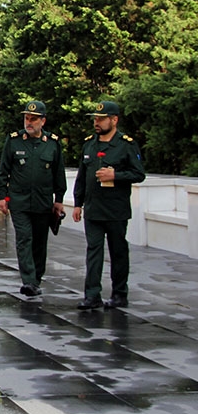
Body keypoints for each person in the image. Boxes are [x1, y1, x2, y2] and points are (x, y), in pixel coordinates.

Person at [72, 101, 146, 309]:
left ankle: (119, 294)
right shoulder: (89, 144)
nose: (97, 122)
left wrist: (116, 175)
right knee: (93, 251)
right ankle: (92, 295)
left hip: (115, 209)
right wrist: (77, 203)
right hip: (93, 208)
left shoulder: (126, 144)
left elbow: (138, 174)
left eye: (101, 119)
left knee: (118, 251)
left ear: (114, 120)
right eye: (95, 119)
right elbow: (82, 177)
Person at [0, 100, 66, 297]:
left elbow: (58, 173)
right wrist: (2, 196)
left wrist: (59, 199)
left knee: (39, 242)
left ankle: (36, 279)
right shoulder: (14, 140)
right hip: (19, 201)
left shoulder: (52, 143)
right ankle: (28, 280)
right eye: (27, 118)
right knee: (24, 238)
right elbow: (3, 170)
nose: (29, 122)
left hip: (43, 202)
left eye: (34, 119)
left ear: (43, 121)